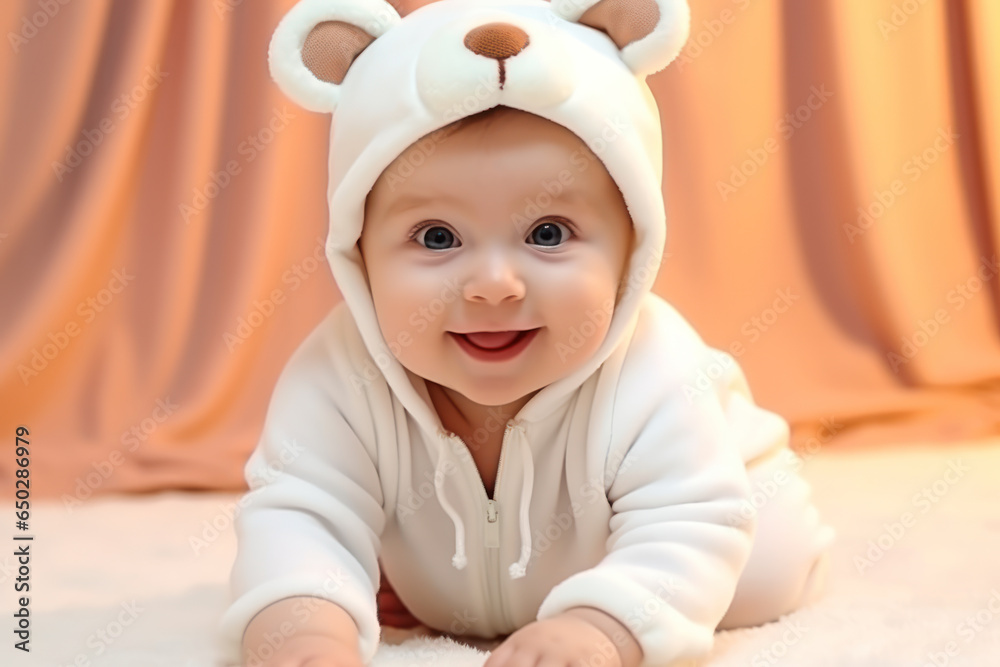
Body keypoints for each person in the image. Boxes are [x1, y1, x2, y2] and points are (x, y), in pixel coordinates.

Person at [218, 0, 835, 666]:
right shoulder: (336, 376)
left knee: (761, 571)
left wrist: (602, 626)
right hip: (468, 574)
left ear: (633, 248)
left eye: (548, 234)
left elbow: (689, 521)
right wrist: (305, 628)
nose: (493, 285)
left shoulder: (656, 369)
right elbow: (295, 514)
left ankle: (614, 587)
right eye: (437, 237)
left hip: (720, 503)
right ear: (358, 252)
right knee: (327, 553)